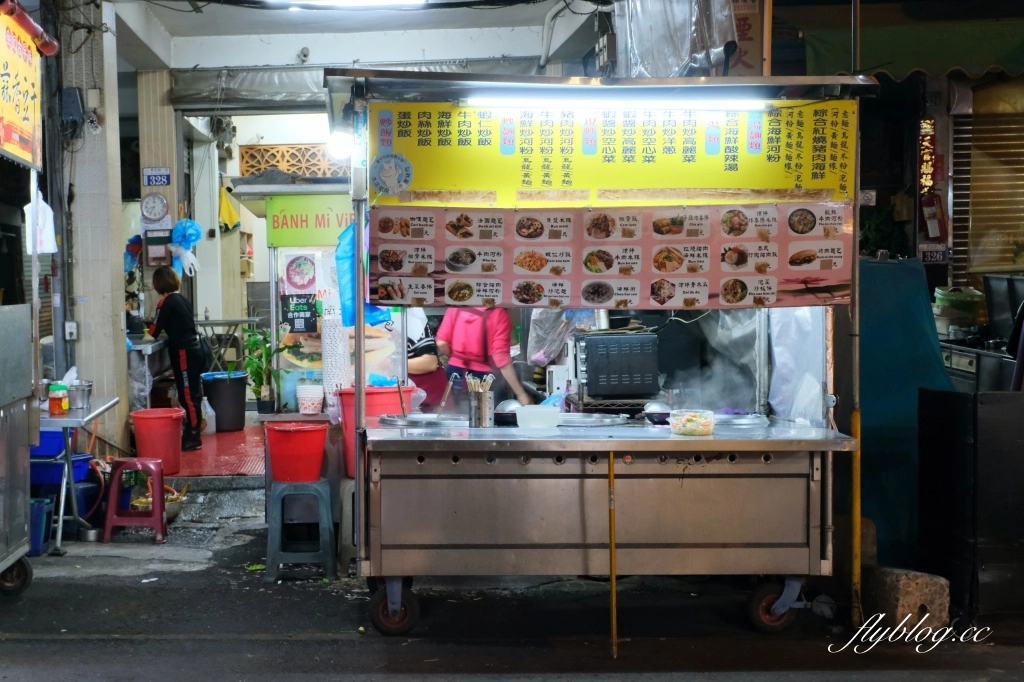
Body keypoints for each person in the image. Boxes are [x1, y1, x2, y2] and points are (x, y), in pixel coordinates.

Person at [148, 266, 204, 451]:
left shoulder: (166, 302)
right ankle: (193, 432)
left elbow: (154, 331)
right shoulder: (181, 299)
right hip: (194, 349)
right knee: (192, 394)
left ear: (159, 284)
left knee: (187, 395)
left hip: (184, 352)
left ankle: (193, 436)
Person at [435, 306, 532, 407]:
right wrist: (521, 394)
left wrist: (456, 359)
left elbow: (441, 342)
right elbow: (500, 358)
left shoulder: (455, 308)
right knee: (485, 417)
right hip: (484, 377)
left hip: (455, 373)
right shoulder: (498, 313)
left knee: (455, 416)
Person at [405, 307, 448, 409]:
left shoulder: (411, 316)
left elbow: (429, 363)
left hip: (430, 403)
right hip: (406, 400)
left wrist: (392, 364)